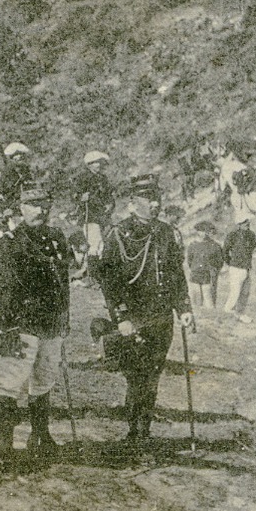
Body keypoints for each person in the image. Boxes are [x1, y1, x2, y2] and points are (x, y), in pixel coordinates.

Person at [91, 178, 193, 445]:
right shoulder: (118, 233)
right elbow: (109, 281)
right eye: (149, 199)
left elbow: (175, 274)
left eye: (157, 197)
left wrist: (183, 308)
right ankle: (134, 432)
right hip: (134, 316)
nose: (156, 203)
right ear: (133, 204)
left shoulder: (167, 232)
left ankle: (143, 431)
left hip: (161, 316)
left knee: (152, 375)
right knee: (137, 375)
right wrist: (121, 317)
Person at [0, 188, 71, 463]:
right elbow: (0, 289)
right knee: (10, 383)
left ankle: (40, 435)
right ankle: (5, 446)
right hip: (21, 322)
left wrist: (63, 318)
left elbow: (63, 283)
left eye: (44, 205)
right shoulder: (10, 243)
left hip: (50, 322)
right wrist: (7, 325)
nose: (40, 211)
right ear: (20, 208)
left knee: (45, 379)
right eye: (32, 205)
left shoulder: (57, 239)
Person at [75, 150, 115, 260]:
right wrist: (82, 198)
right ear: (89, 164)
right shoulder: (82, 178)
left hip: (104, 216)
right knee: (95, 244)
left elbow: (109, 195)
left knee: (108, 241)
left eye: (101, 162)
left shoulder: (103, 179)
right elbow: (74, 196)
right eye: (96, 162)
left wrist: (110, 205)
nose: (99, 165)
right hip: (90, 216)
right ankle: (90, 269)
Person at [0, 141, 35, 230]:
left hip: (25, 203)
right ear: (12, 158)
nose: (19, 157)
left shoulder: (25, 170)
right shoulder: (7, 171)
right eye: (16, 155)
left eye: (21, 155)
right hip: (12, 204)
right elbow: (3, 189)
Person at [221, 218, 256, 321]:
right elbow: (225, 251)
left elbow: (252, 248)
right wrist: (231, 263)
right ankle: (228, 312)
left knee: (245, 292)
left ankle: (240, 313)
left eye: (248, 222)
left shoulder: (251, 235)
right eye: (244, 222)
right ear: (238, 224)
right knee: (235, 292)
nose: (247, 224)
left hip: (246, 267)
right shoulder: (232, 235)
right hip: (236, 268)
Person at [184, 221, 225, 310]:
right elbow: (190, 261)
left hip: (209, 276)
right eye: (200, 231)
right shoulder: (192, 245)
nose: (202, 233)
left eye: (205, 231)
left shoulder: (215, 246)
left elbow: (220, 261)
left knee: (209, 302)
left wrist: (213, 271)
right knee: (195, 302)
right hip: (195, 275)